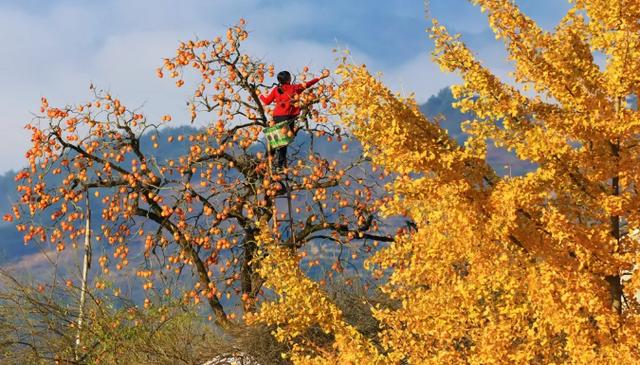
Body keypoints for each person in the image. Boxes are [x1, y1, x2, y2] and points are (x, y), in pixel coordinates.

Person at [260, 69, 329, 169]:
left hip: (276, 117)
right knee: (284, 141)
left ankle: (267, 161)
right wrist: (319, 78)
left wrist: (260, 95)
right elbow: (307, 84)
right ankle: (280, 165)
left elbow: (266, 102)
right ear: (288, 80)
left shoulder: (276, 89)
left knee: (274, 139)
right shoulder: (294, 88)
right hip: (287, 117)